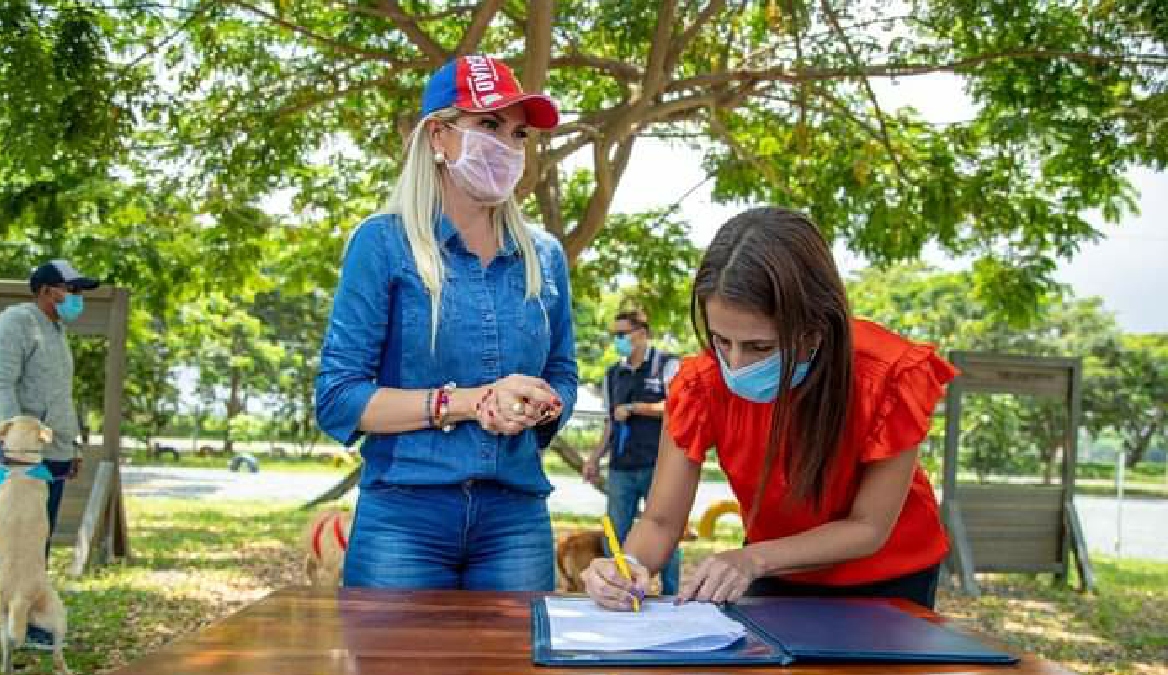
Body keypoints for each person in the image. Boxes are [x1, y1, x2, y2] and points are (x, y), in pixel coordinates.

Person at [583, 207, 955, 611]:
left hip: (889, 580)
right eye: (721, 341)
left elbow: (869, 527)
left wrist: (751, 558)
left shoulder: (889, 375)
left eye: (760, 347)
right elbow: (660, 521)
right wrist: (628, 567)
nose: (736, 365)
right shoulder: (698, 384)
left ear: (816, 327)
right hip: (773, 572)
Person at [314, 54, 578, 591]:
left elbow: (564, 373)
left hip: (516, 520)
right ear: (438, 135)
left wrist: (538, 404)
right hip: (404, 517)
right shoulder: (382, 244)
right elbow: (338, 398)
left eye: (519, 133)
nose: (507, 146)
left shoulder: (545, 256)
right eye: (488, 126)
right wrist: (473, 402)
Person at [0, 260, 98, 659]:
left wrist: (70, 447)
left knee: (35, 544)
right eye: (70, 290)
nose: (77, 299)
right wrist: (13, 455)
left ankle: (32, 625)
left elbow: (59, 397)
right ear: (45, 290)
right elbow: (2, 387)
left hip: (51, 458)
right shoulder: (15, 324)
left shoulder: (57, 331)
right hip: (17, 459)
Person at [583, 309, 681, 595]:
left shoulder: (667, 365)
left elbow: (678, 409)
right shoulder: (613, 374)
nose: (618, 340)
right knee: (614, 534)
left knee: (665, 532)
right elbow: (609, 423)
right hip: (621, 467)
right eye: (614, 335)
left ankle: (672, 594)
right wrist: (593, 459)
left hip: (657, 466)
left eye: (622, 334)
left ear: (642, 332)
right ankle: (617, 589)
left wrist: (638, 408)